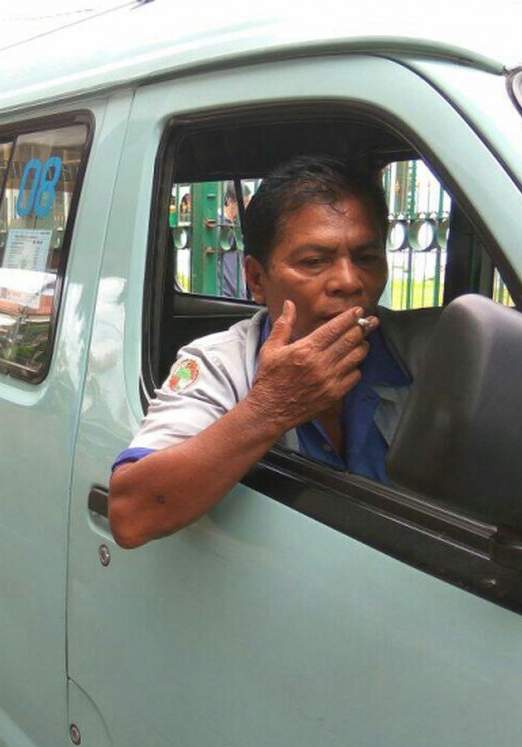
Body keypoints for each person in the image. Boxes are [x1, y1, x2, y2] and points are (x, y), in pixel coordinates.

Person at [108, 155, 437, 549]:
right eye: (315, 262)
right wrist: (271, 407)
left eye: (366, 259)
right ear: (256, 279)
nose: (349, 282)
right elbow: (132, 514)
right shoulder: (221, 364)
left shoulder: (426, 352)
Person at [218, 188, 246, 299]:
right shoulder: (218, 223)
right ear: (230, 201)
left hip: (239, 291)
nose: (244, 209)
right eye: (242, 204)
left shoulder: (238, 224)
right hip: (223, 291)